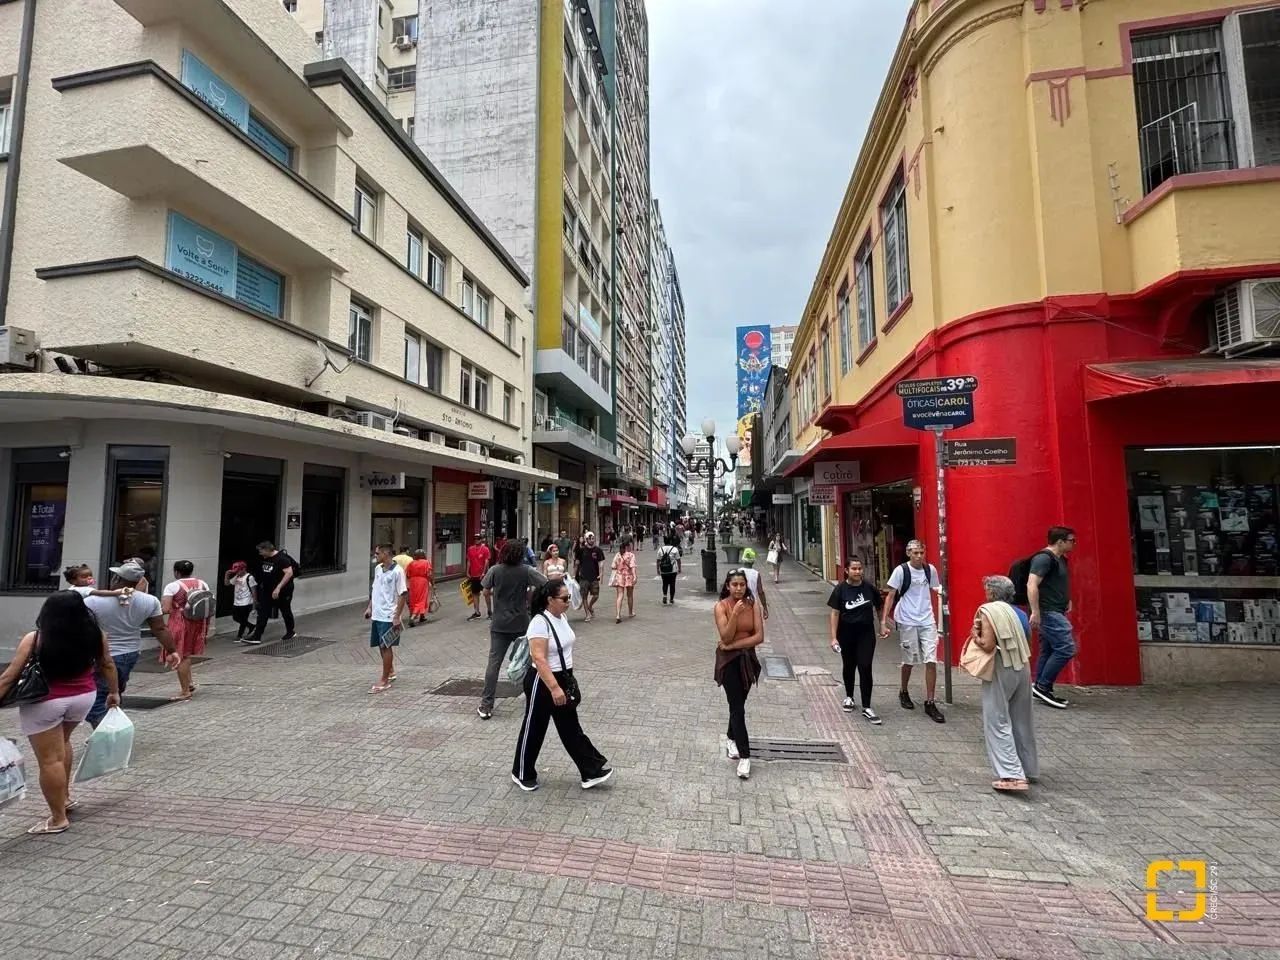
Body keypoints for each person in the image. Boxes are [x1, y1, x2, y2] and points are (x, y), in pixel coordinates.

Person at [0, 592, 120, 835]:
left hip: (45, 702)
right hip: (83, 698)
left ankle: (58, 818)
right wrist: (114, 692)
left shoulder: (36, 639)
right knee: (62, 744)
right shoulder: (96, 635)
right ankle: (64, 798)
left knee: (49, 760)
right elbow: (107, 664)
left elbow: (10, 676)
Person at [511, 581, 611, 791]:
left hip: (563, 677)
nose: (568, 602)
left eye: (568, 597)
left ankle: (591, 771)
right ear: (550, 601)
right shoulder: (540, 622)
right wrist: (554, 688)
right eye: (564, 598)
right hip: (543, 679)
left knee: (570, 726)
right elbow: (538, 658)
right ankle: (521, 773)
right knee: (534, 727)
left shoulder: (561, 617)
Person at [84, 562, 178, 727]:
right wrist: (172, 651)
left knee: (97, 699)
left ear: (117, 578)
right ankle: (111, 728)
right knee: (115, 692)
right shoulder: (150, 601)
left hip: (104, 655)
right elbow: (159, 628)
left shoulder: (93, 601)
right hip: (131, 652)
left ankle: (107, 733)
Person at [970, 575, 1038, 792]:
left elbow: (988, 645)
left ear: (991, 592)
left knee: (997, 719)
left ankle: (1011, 775)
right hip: (1022, 665)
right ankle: (1028, 768)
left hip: (1001, 666)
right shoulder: (1019, 613)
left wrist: (975, 637)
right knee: (1022, 719)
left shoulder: (989, 611)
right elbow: (1027, 641)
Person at [479, 541, 547, 719]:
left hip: (499, 624)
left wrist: (495, 597)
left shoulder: (495, 570)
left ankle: (486, 705)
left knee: (494, 664)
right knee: (532, 661)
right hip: (522, 623)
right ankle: (536, 697)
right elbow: (545, 584)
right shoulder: (526, 570)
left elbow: (485, 590)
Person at [882, 540, 945, 723]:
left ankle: (930, 701)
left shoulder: (929, 570)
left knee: (931, 660)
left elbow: (935, 588)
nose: (919, 556)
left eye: (921, 552)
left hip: (927, 620)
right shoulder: (901, 571)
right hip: (908, 620)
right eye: (915, 553)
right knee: (909, 660)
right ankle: (903, 690)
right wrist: (884, 621)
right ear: (909, 553)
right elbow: (891, 595)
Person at [713, 569, 764, 780]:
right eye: (734, 585)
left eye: (742, 584)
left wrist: (733, 644)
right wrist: (734, 614)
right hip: (728, 662)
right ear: (727, 586)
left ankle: (729, 737)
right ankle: (745, 756)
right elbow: (724, 635)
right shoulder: (721, 607)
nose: (739, 588)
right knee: (737, 707)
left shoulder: (753, 605)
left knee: (739, 705)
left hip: (747, 661)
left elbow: (759, 637)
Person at [827, 558, 885, 724]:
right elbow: (835, 613)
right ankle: (849, 696)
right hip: (846, 634)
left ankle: (867, 706)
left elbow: (879, 606)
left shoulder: (869, 588)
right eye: (854, 569)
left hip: (866, 634)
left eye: (860, 568)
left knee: (865, 666)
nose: (858, 572)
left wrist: (882, 625)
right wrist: (834, 637)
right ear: (847, 570)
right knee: (849, 665)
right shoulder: (840, 590)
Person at [1027, 526, 1078, 709]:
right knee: (1066, 648)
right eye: (1071, 540)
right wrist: (1035, 611)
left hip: (1056, 609)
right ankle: (1043, 685)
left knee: (1048, 649)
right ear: (1060, 541)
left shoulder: (1061, 559)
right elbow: (1032, 584)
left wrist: (1067, 599)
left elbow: (1058, 582)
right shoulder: (1043, 559)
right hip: (1048, 612)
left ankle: (1041, 686)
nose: (1074, 544)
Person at [161, 561, 212, 701]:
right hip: (198, 623)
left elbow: (166, 609)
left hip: (179, 622)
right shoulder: (202, 583)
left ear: (176, 572)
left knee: (180, 655)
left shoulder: (172, 586)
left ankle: (185, 691)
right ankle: (189, 684)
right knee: (187, 654)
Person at [365, 544, 408, 694]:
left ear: (385, 553)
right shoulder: (378, 569)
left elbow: (403, 594)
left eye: (377, 553)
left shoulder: (398, 571)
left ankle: (384, 680)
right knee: (380, 645)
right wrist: (370, 607)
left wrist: (396, 616)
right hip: (377, 614)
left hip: (388, 614)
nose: (375, 556)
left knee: (385, 646)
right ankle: (390, 671)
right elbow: (374, 589)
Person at [249, 541, 299, 644]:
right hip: (267, 590)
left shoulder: (282, 559)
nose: (260, 553)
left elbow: (289, 573)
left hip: (283, 591)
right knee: (263, 612)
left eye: (261, 551)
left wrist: (278, 588)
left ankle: (290, 632)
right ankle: (256, 636)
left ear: (267, 550)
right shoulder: (265, 559)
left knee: (285, 610)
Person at [573, 531, 606, 622]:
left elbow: (601, 563)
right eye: (590, 539)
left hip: (594, 576)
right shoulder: (581, 550)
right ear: (586, 539)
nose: (592, 540)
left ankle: (590, 606)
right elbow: (577, 563)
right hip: (583, 576)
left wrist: (601, 574)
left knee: (596, 595)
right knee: (584, 596)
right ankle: (587, 614)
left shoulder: (598, 550)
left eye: (593, 538)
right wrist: (574, 574)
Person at [224, 561, 258, 642]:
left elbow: (254, 592)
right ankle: (251, 626)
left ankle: (239, 636)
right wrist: (227, 575)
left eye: (239, 571)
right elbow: (227, 583)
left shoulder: (249, 577)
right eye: (236, 571)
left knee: (243, 619)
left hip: (246, 602)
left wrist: (254, 606)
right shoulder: (237, 576)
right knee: (236, 617)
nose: (237, 573)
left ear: (244, 569)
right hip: (237, 602)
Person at [62, 564, 131, 602]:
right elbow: (101, 593)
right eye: (84, 576)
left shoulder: (73, 588)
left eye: (90, 575)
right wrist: (118, 592)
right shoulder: (84, 589)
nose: (89, 578)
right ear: (73, 581)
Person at [610, 538, 637, 623]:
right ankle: (630, 612)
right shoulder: (631, 555)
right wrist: (635, 576)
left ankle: (618, 614)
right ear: (628, 546)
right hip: (628, 576)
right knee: (630, 595)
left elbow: (613, 566)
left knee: (619, 595)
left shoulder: (618, 555)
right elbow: (632, 567)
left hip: (619, 576)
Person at [465, 534, 491, 622]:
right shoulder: (470, 549)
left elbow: (486, 561)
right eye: (475, 539)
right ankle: (477, 612)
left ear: (481, 540)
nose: (476, 540)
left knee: (486, 593)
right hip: (474, 575)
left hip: (483, 576)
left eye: (478, 539)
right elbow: (469, 560)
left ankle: (490, 612)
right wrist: (467, 571)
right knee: (475, 593)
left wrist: (484, 572)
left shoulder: (485, 549)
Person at [738, 549, 769, 619]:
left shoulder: (738, 572)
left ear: (743, 560)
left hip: (739, 604)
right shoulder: (756, 574)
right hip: (752, 604)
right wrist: (765, 607)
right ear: (753, 562)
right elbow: (760, 592)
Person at [406, 549, 433, 626]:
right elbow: (429, 574)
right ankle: (413, 617)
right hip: (422, 582)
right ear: (422, 555)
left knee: (414, 599)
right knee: (421, 599)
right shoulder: (426, 562)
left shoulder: (411, 563)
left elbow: (407, 575)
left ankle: (422, 616)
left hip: (413, 582)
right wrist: (433, 584)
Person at [657, 536, 682, 605]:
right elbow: (678, 560)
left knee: (664, 583)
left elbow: (658, 560)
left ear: (664, 542)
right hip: (672, 570)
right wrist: (679, 568)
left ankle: (665, 595)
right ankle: (671, 599)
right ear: (670, 542)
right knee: (672, 584)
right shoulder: (674, 549)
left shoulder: (660, 549)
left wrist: (658, 569)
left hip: (663, 570)